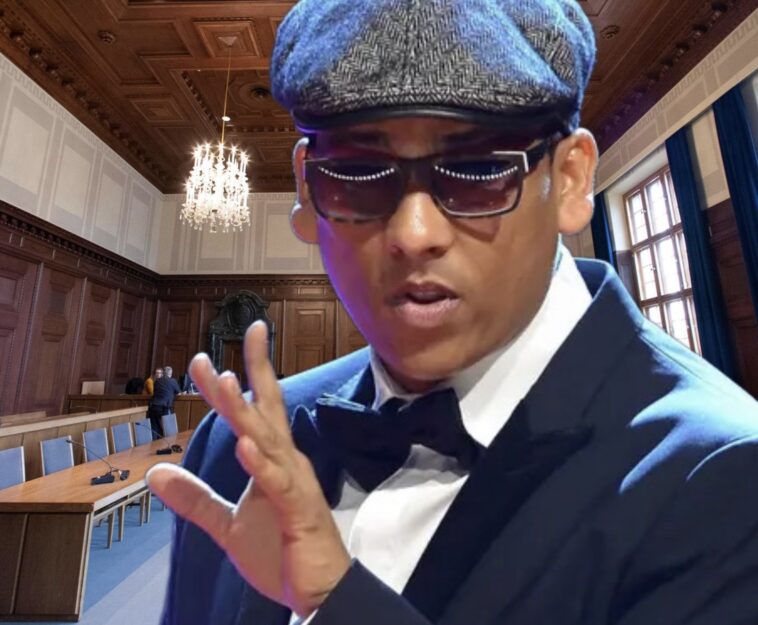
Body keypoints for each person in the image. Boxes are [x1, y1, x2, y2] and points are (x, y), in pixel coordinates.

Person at [147, 1, 758, 624]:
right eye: (357, 173)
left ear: (571, 180)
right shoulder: (230, 450)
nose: (414, 234)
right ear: (307, 189)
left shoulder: (727, 485)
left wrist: (338, 604)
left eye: (479, 170)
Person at [148, 366, 180, 438]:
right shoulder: (173, 381)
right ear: (170, 374)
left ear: (163, 373)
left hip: (153, 406)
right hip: (164, 407)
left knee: (154, 429)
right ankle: (167, 443)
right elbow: (178, 392)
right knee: (168, 431)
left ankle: (154, 443)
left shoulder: (157, 381)